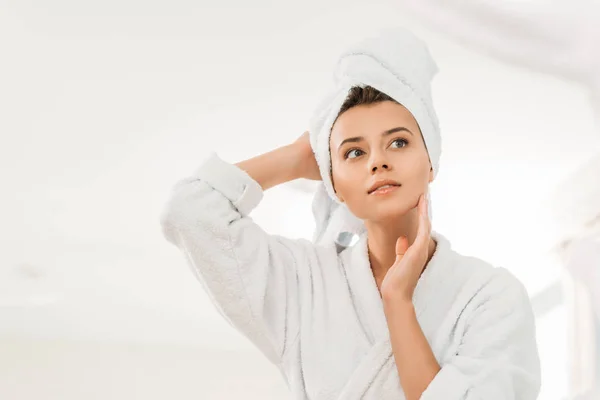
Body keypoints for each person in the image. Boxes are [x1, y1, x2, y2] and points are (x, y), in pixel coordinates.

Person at [160, 29, 541, 400]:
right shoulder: (303, 283)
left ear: (431, 163)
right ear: (334, 185)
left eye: (399, 142)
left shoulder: (490, 296)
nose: (378, 161)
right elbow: (189, 212)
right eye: (354, 152)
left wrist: (399, 302)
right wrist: (293, 159)